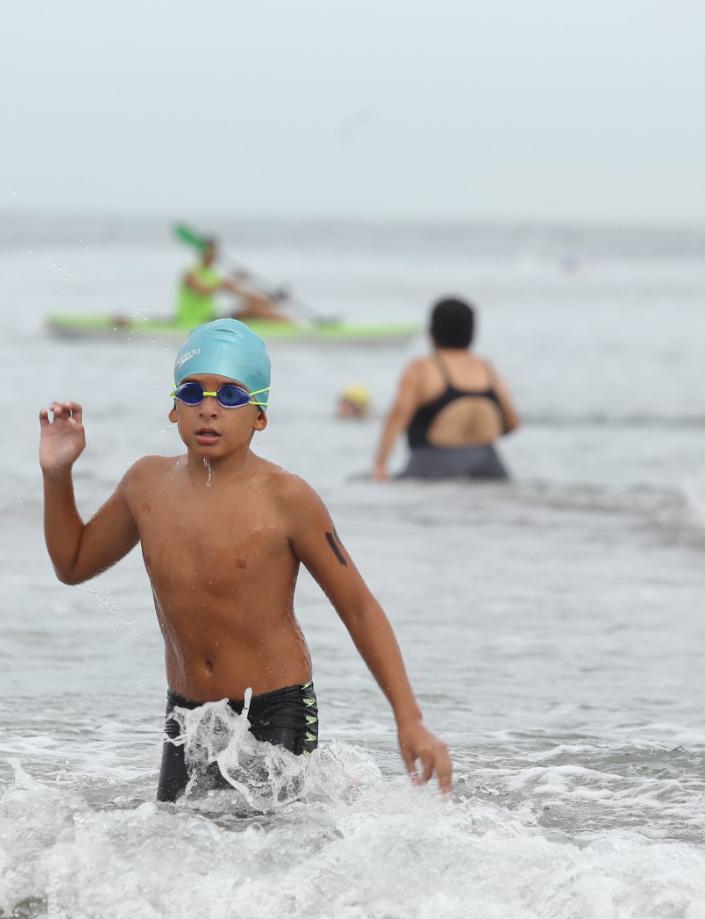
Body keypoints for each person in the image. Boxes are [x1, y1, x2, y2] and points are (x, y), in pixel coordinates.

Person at [39, 318, 452, 801]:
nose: (209, 410)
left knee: (268, 859)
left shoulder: (288, 499)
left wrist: (409, 718)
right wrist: (57, 475)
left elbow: (358, 607)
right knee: (174, 851)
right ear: (173, 409)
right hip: (188, 716)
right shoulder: (146, 485)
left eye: (231, 396)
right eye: (193, 393)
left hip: (276, 712)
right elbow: (73, 564)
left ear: (259, 415)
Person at [370, 297, 519, 480]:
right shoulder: (488, 370)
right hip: (490, 466)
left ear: (432, 332)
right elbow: (512, 424)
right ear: (472, 333)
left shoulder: (422, 368)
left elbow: (399, 414)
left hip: (432, 465)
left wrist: (380, 464)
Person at [177, 237, 289, 328]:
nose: (214, 256)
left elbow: (242, 294)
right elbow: (202, 290)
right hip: (194, 321)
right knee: (253, 309)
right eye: (211, 252)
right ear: (202, 253)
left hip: (212, 319)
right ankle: (294, 328)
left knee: (255, 305)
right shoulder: (191, 273)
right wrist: (225, 283)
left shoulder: (214, 275)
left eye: (215, 252)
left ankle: (292, 324)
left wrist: (271, 298)